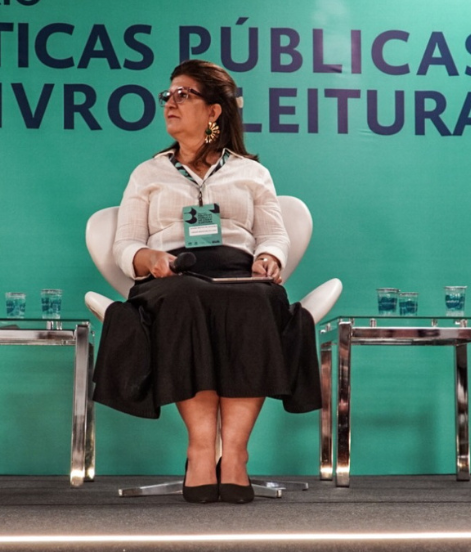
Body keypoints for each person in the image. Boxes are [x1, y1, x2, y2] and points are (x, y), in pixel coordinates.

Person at [92, 60, 320, 504]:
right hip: (172, 276)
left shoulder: (252, 173)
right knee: (187, 296)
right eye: (168, 95)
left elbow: (273, 234)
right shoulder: (148, 173)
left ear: (214, 112)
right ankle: (200, 450)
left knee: (258, 300)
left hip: (238, 273)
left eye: (184, 95)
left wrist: (270, 258)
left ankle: (234, 455)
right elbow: (125, 245)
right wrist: (149, 258)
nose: (170, 103)